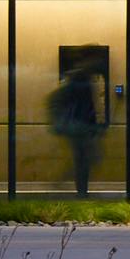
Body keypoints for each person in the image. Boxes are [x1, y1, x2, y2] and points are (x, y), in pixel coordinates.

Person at [48, 50, 110, 193]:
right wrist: (93, 126)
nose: (98, 63)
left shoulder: (81, 76)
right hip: (79, 126)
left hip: (79, 125)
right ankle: (75, 188)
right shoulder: (80, 77)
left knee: (84, 158)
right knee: (87, 158)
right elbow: (84, 105)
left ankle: (77, 189)